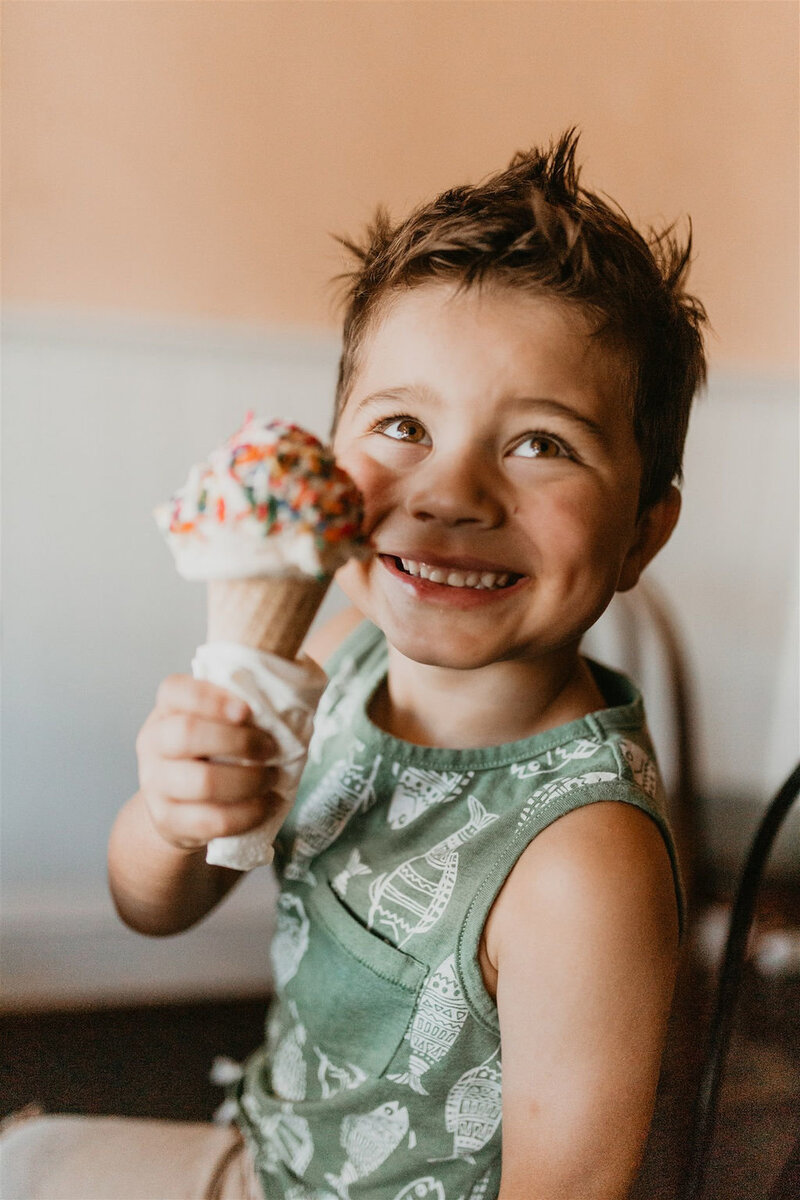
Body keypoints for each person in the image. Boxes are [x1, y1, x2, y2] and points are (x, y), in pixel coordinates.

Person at [2, 130, 707, 1200]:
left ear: (640, 535)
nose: (448, 491)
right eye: (401, 424)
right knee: (25, 1160)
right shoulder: (331, 658)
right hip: (275, 1163)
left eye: (540, 443)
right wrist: (173, 812)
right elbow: (154, 907)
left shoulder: (581, 863)